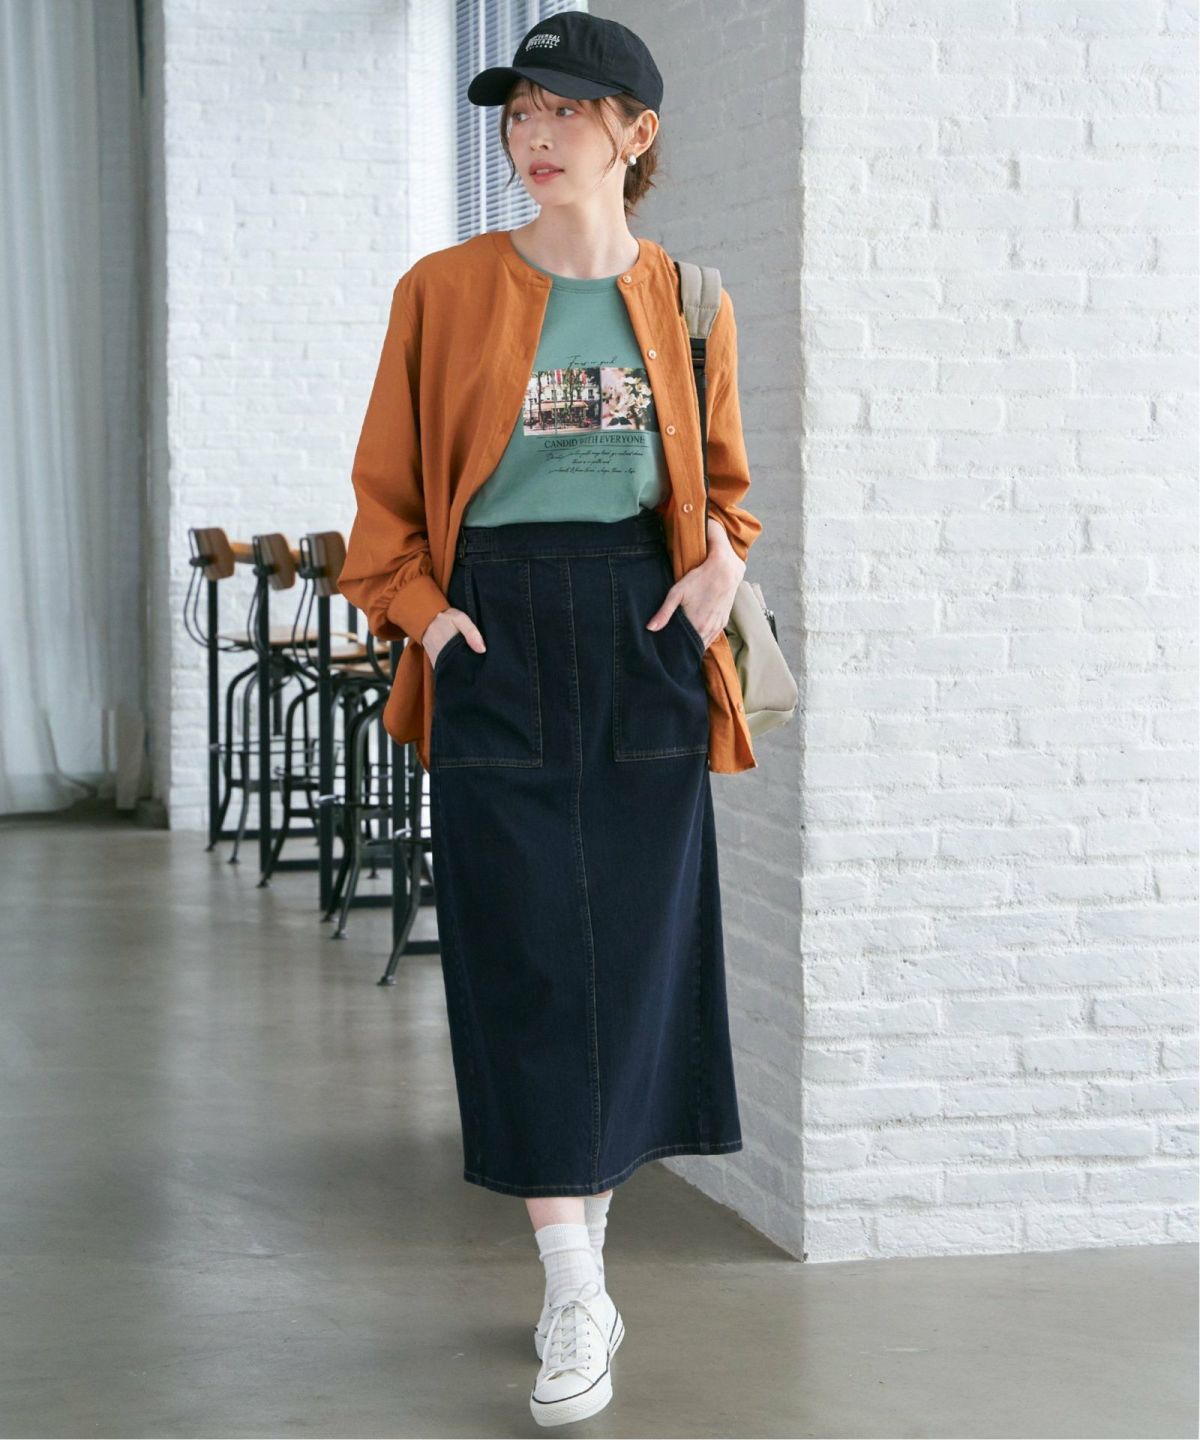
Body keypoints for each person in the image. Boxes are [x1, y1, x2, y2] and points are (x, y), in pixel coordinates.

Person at [339, 12, 763, 1427]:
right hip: (496, 631)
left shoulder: (689, 298)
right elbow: (385, 500)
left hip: (643, 627)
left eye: (567, 110)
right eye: (521, 110)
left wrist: (719, 570)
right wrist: (427, 619)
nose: (534, 134)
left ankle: (591, 1262)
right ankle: (569, 1281)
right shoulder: (442, 290)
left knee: (633, 950)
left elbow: (724, 488)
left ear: (635, 134)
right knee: (523, 949)